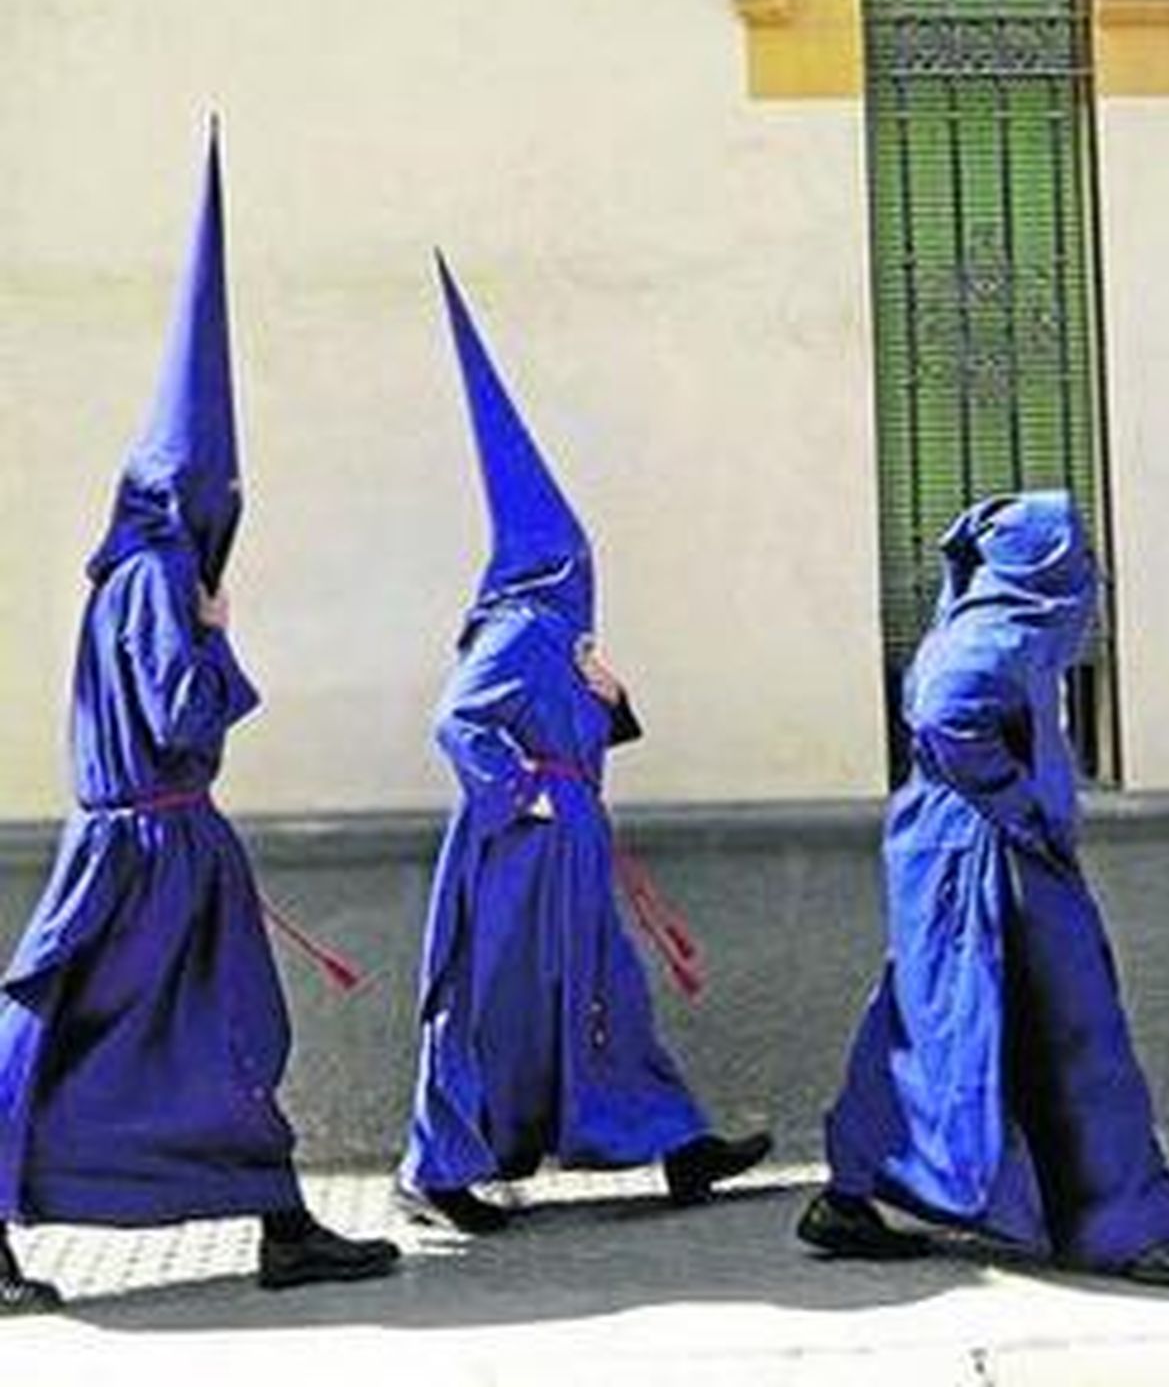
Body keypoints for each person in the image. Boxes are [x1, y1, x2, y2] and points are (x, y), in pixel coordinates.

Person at [0, 128, 399, 1310]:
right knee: (98, 1035)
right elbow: (180, 710)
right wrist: (218, 634)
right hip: (149, 853)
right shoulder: (163, 576)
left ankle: (282, 1221)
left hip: (158, 845)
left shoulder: (120, 572)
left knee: (219, 1029)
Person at [798, 491, 1169, 1290]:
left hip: (957, 861)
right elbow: (947, 714)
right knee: (1076, 1032)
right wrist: (1022, 808)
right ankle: (1131, 1227)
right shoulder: (997, 634)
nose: (1090, 575)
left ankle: (856, 1196)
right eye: (1076, 557)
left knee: (932, 1029)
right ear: (1041, 567)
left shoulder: (981, 624)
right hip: (994, 865)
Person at [396, 256, 770, 1233]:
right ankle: (436, 1169)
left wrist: (612, 699)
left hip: (565, 849)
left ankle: (678, 1144)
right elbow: (459, 720)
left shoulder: (555, 636)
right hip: (518, 856)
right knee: (489, 1002)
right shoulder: (522, 627)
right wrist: (523, 792)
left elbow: (564, 732)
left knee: (608, 994)